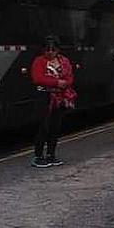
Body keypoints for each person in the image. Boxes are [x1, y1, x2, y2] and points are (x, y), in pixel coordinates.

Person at [29, 36, 76, 168]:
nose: (50, 52)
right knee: (44, 126)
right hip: (44, 96)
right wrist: (56, 82)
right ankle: (38, 156)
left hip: (59, 97)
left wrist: (65, 83)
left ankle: (51, 154)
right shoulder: (39, 61)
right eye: (47, 49)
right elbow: (37, 78)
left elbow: (70, 77)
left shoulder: (64, 61)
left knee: (55, 127)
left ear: (58, 50)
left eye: (53, 49)